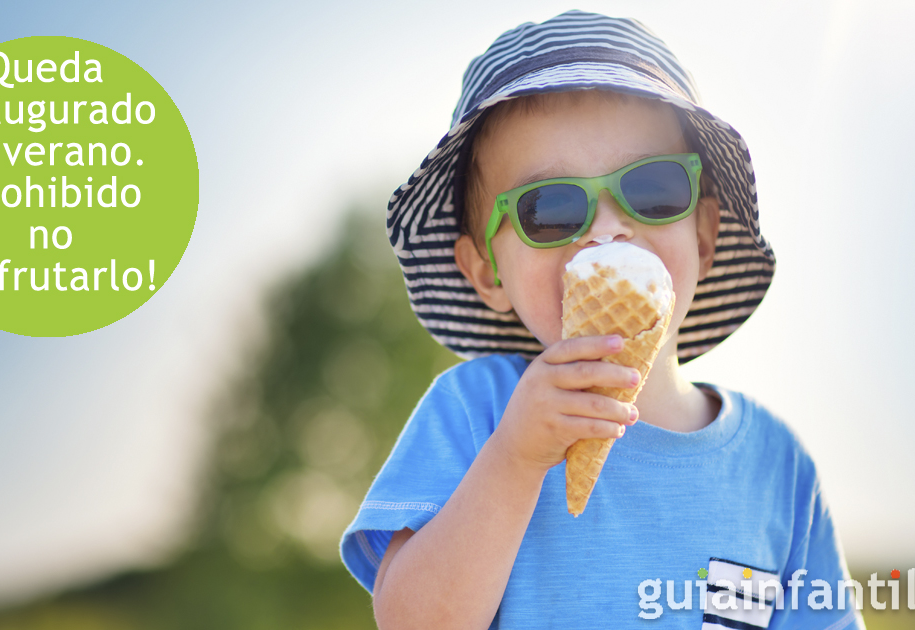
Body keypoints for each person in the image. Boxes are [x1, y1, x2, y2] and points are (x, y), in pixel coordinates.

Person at [340, 10, 865, 630]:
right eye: (552, 207)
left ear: (701, 233)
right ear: (487, 271)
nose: (609, 228)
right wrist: (516, 458)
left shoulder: (774, 464)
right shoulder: (476, 412)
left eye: (653, 190)